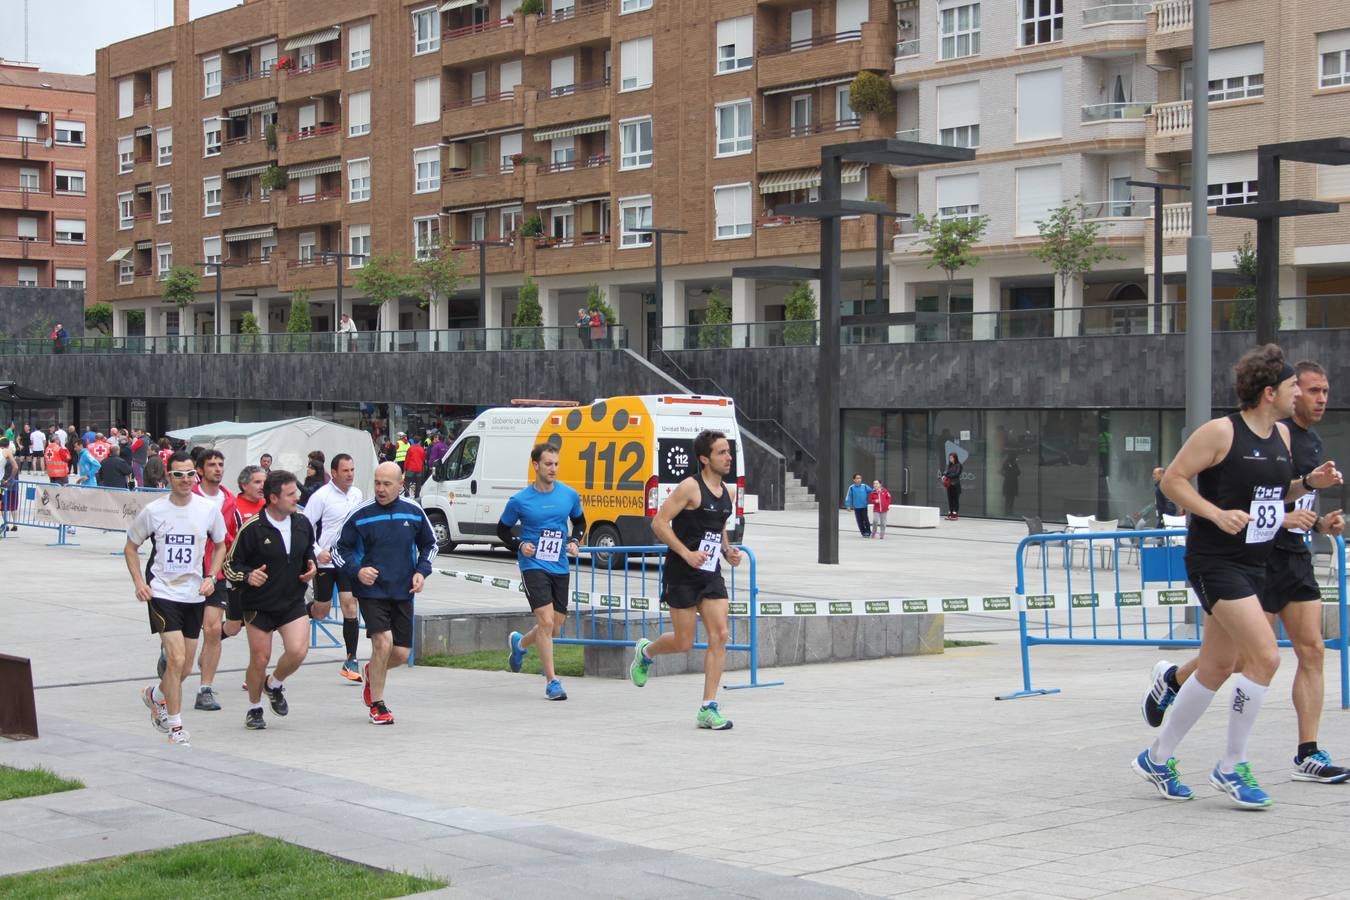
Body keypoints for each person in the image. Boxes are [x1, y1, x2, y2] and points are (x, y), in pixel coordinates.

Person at [1130, 345, 1341, 809]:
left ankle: (1157, 756)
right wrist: (1214, 512)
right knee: (1264, 658)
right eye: (1292, 387)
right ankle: (1231, 766)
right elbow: (1174, 480)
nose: (1298, 394)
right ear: (1270, 392)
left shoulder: (1282, 439)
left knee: (1216, 667)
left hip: (1256, 561)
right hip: (1214, 561)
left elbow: (1272, 493)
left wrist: (1308, 488)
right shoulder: (1221, 432)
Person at [630, 429, 742, 730]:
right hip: (681, 572)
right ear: (704, 458)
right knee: (683, 642)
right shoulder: (689, 488)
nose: (728, 457)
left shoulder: (728, 492)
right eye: (721, 452)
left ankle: (708, 707)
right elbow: (659, 523)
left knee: (719, 635)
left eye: (728, 451)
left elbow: (716, 528)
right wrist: (686, 553)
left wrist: (728, 550)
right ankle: (646, 651)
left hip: (709, 575)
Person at [125, 452, 227, 748]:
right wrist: (140, 584)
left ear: (196, 476)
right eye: (178, 475)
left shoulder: (208, 510)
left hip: (194, 595)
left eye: (189, 474)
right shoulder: (154, 511)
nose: (185, 480)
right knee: (177, 658)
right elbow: (131, 547)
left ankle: (156, 695)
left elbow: (220, 545)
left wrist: (212, 576)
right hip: (162, 593)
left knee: (184, 669)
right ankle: (176, 726)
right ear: (167, 477)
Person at [333, 462, 436, 725]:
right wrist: (357, 571)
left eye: (387, 484)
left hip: (403, 590)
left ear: (401, 484)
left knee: (400, 654)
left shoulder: (413, 511)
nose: (380, 489)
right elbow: (338, 549)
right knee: (383, 643)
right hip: (371, 590)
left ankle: (372, 670)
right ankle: (377, 705)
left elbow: (430, 544)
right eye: (377, 482)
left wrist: (421, 571)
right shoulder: (361, 513)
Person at [224, 470, 318, 731]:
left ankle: (273, 684)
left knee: (298, 651)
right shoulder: (253, 527)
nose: (296, 498)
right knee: (260, 658)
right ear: (274, 498)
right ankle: (254, 707)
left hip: (291, 601)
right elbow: (230, 564)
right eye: (290, 494)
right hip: (259, 604)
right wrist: (248, 574)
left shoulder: (301, 523)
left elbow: (308, 551)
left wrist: (311, 567)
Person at [502, 443, 586, 701]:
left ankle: (520, 643)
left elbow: (580, 521)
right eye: (548, 464)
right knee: (546, 621)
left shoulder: (568, 495)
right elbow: (503, 530)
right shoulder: (520, 500)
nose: (553, 469)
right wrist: (520, 545)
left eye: (556, 464)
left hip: (559, 564)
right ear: (536, 465)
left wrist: (574, 540)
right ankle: (552, 681)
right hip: (533, 565)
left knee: (554, 627)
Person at [305, 453, 365, 682]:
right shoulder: (321, 496)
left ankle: (351, 660)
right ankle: (297, 613)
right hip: (325, 561)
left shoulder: (357, 494)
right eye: (345, 470)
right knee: (322, 611)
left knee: (350, 606)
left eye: (352, 470)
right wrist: (317, 549)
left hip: (346, 559)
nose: (350, 474)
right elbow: (305, 525)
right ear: (335, 472)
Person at [183, 450, 234, 710]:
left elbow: (230, 539)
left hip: (217, 573)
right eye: (212, 465)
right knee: (184, 637)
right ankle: (168, 653)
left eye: (220, 464)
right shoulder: (188, 498)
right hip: (186, 573)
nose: (217, 469)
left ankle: (205, 689)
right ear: (200, 470)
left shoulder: (229, 500)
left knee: (213, 630)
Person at [941, 452, 963, 521]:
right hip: (949, 485)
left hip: (955, 485)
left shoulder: (959, 465)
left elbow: (956, 474)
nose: (950, 459)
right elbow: (945, 472)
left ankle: (955, 514)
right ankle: (950, 513)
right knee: (950, 500)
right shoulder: (950, 466)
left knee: (955, 500)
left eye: (952, 458)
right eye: (949, 458)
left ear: (955, 458)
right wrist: (944, 475)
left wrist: (947, 475)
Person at [1001, 452, 1020, 517]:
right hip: (1011, 483)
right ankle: (1008, 512)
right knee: (1009, 498)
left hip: (1009, 483)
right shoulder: (1010, 463)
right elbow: (1018, 472)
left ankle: (1008, 511)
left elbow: (1018, 472)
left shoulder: (1009, 463)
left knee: (1009, 498)